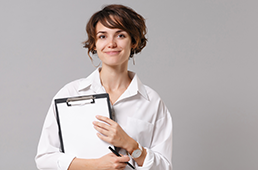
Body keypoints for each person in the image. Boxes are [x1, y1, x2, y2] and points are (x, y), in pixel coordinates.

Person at [36, 4, 172, 170]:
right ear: (94, 44)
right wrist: (95, 165)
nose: (111, 43)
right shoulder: (70, 94)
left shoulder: (152, 102)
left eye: (120, 35)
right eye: (102, 36)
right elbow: (45, 159)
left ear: (134, 42)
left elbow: (164, 167)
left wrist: (131, 145)